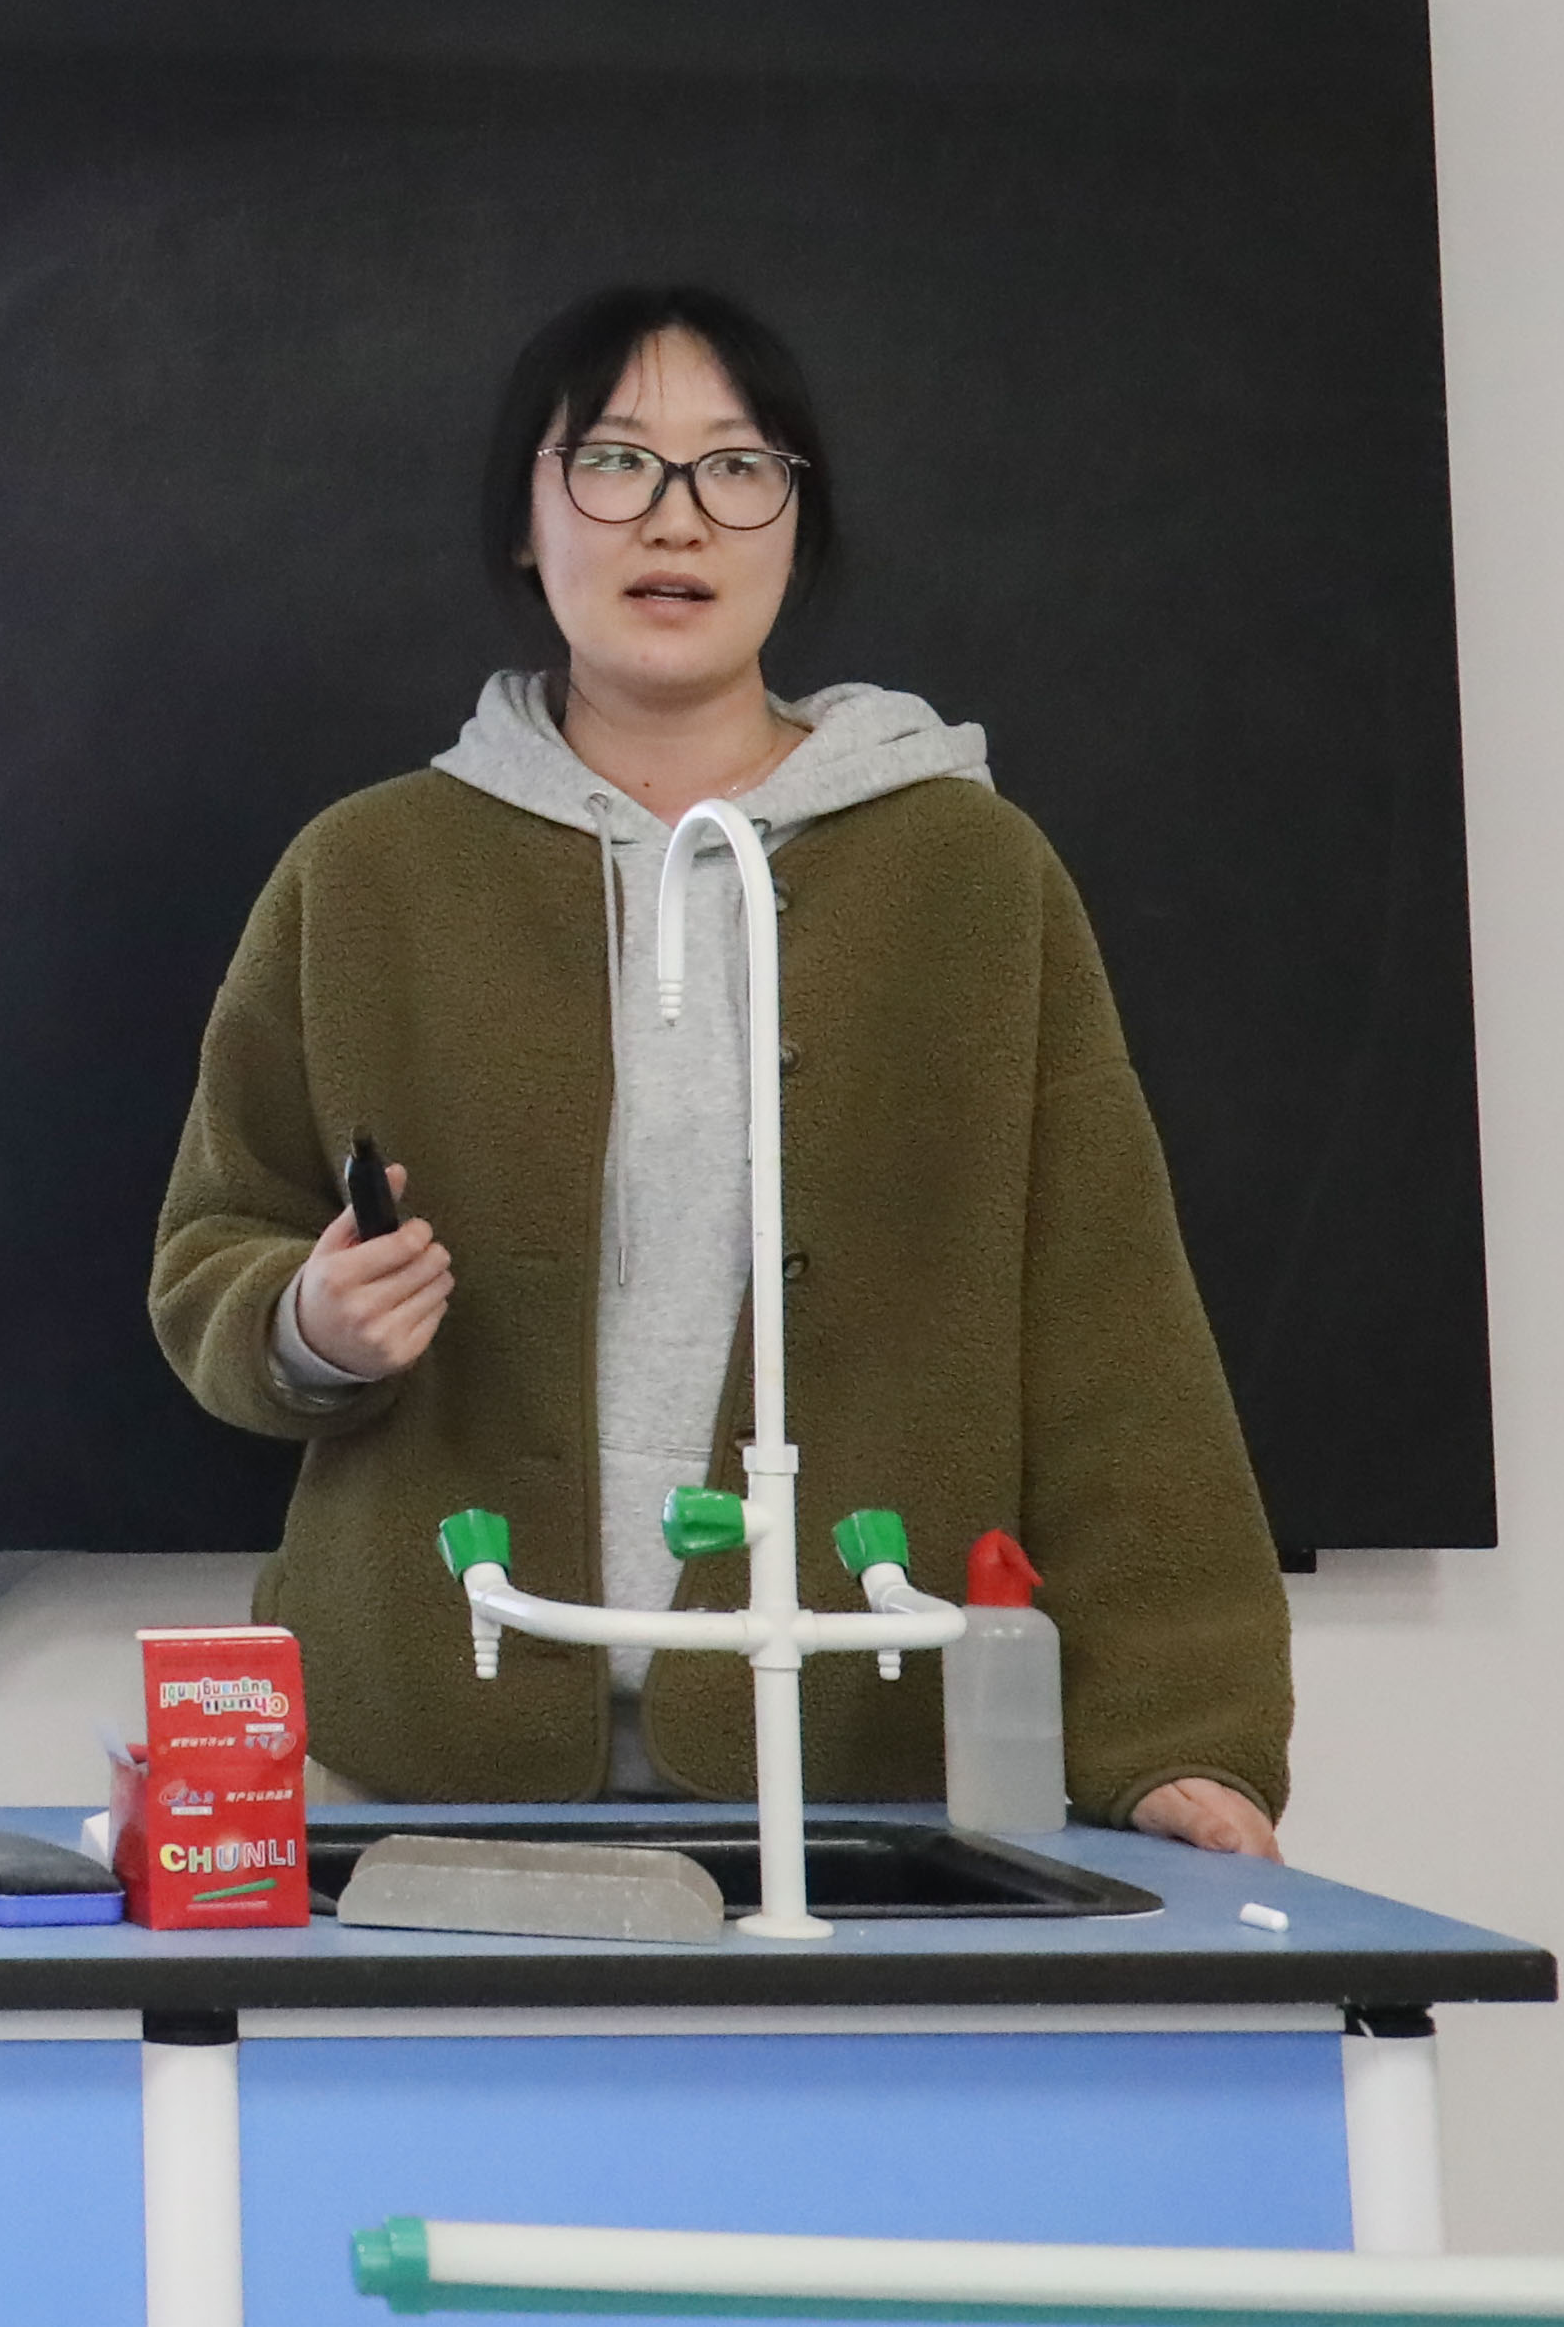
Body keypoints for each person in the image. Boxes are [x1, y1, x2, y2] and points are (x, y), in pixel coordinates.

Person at [145, 285, 1291, 1853]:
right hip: (416, 1763)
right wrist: (310, 1322)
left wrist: (1179, 1733)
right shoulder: (365, 871)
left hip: (865, 1773)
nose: (674, 517)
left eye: (736, 466)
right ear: (524, 519)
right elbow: (211, 1244)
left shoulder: (968, 871)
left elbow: (1110, 1323)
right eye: (612, 460)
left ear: (795, 522)